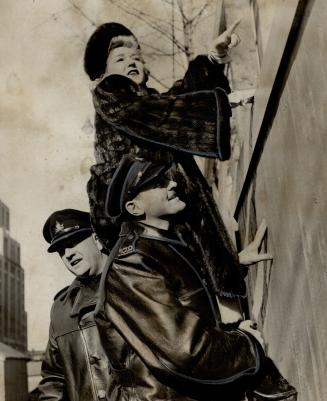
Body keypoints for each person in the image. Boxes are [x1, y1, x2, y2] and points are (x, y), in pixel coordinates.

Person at [94, 156, 296, 401]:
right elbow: (183, 349)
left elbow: (188, 313)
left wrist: (230, 331)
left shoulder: (160, 246)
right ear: (134, 208)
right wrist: (247, 346)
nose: (172, 185)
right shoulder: (132, 261)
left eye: (167, 178)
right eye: (158, 182)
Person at [84, 21, 250, 302]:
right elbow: (162, 112)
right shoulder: (111, 92)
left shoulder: (148, 100)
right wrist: (221, 102)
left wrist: (212, 58)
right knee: (195, 298)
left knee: (207, 296)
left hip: (170, 212)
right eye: (121, 59)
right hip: (154, 217)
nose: (132, 62)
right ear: (102, 74)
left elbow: (175, 100)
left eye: (137, 57)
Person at [38, 209, 111, 401]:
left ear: (96, 238)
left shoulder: (135, 283)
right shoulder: (62, 309)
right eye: (62, 250)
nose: (68, 254)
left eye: (73, 242)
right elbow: (53, 379)